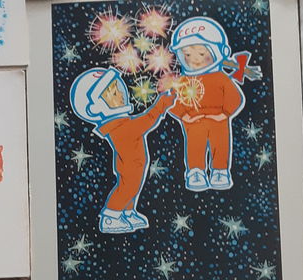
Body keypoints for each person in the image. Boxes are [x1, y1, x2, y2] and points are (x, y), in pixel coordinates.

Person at [70, 67, 175, 233]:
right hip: (130, 166)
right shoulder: (119, 128)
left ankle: (127, 212)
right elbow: (147, 120)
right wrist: (161, 105)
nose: (119, 94)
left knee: (133, 188)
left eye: (118, 89)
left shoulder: (122, 124)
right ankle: (111, 216)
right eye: (113, 93)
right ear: (97, 106)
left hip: (134, 165)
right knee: (127, 189)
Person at [167, 16, 255, 191]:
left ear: (216, 52)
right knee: (195, 146)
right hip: (193, 121)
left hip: (218, 121)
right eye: (187, 55)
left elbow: (235, 98)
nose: (195, 60)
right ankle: (196, 171)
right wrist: (183, 115)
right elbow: (172, 101)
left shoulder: (221, 78)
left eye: (201, 54)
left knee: (220, 145)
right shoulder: (183, 80)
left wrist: (225, 113)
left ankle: (220, 171)